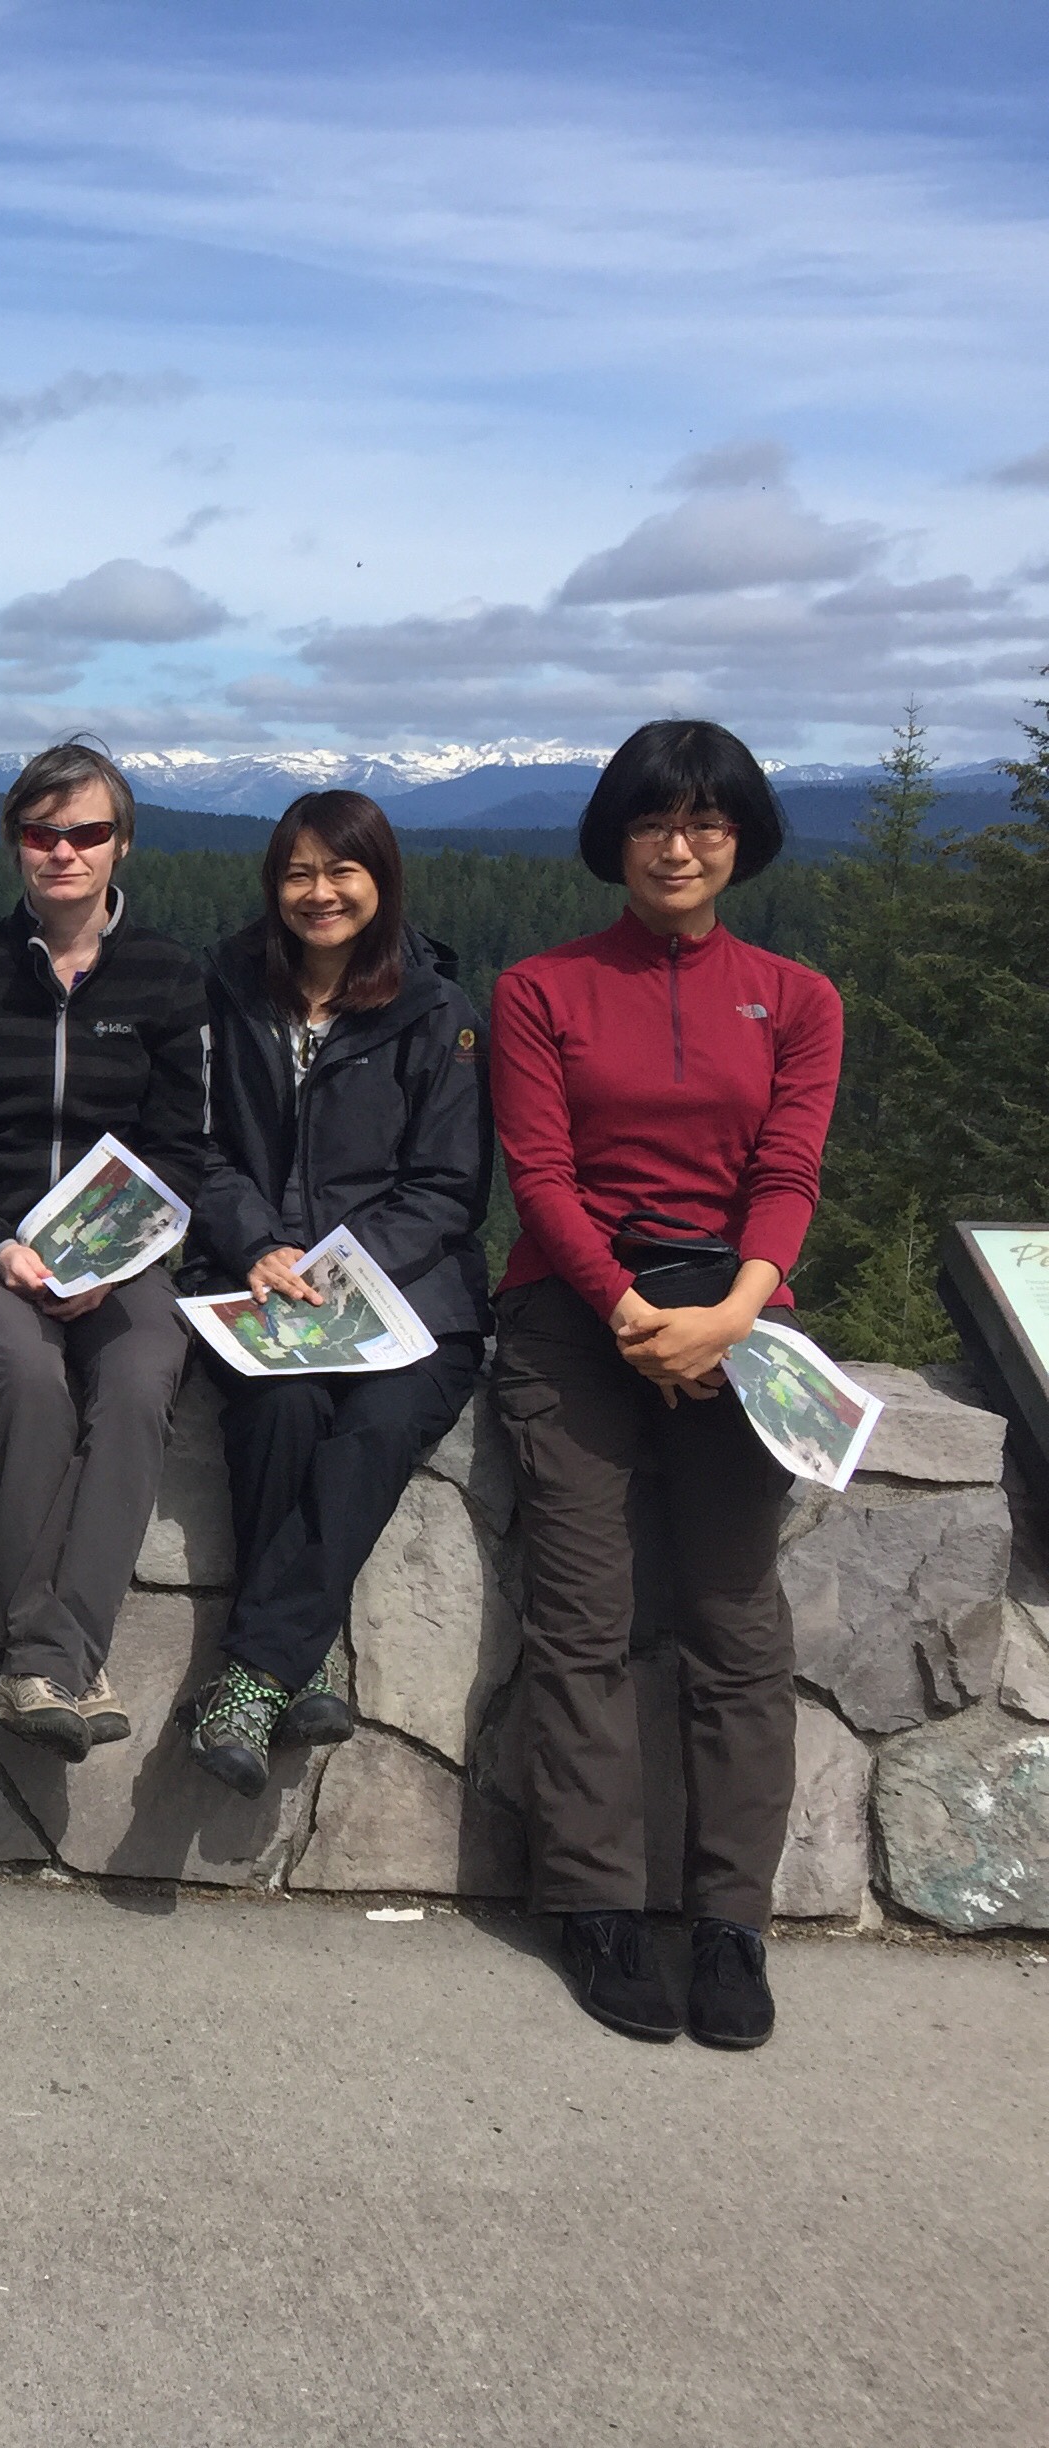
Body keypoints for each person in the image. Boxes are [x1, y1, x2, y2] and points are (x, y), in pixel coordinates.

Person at [487, 719, 840, 2051]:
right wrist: (632, 1310)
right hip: (578, 1315)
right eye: (654, 823)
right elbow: (540, 1176)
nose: (680, 845)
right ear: (615, 841)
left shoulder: (799, 999)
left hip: (735, 1316)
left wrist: (734, 1313)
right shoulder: (541, 989)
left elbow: (787, 1177)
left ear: (738, 839)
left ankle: (731, 1922)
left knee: (734, 1618)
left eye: (705, 822)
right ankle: (595, 1907)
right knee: (582, 1614)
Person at [182, 791, 491, 1796]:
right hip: (261, 1278)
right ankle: (298, 1667)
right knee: (282, 1408)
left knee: (375, 1427)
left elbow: (447, 1189)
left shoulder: (437, 1012)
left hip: (412, 1298)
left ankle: (255, 1670)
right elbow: (200, 1148)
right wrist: (257, 1245)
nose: (319, 893)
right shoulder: (227, 990)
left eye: (341, 872)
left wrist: (343, 1264)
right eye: (298, 873)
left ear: (380, 881)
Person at [0, 739, 208, 1761]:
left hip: (120, 1261)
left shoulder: (168, 976)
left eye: (86, 833)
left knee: (138, 1380)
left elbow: (179, 1147)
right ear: (15, 845)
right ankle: (52, 1660)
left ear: (122, 844)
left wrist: (110, 1264)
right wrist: (0, 1247)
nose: (64, 853)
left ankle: (49, 1665)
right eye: (43, 834)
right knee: (30, 1380)